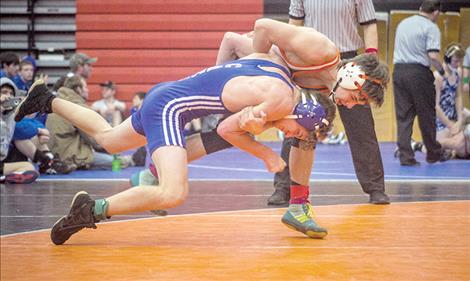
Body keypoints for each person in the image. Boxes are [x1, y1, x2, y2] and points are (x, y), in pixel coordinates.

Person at [15, 32, 343, 244]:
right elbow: (228, 130)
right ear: (304, 114)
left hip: (168, 94)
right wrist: (266, 155)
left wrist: (216, 82)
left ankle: (47, 99)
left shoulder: (278, 67)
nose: (289, 135)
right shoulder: (280, 102)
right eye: (295, 132)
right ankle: (91, 209)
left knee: (109, 140)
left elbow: (237, 39)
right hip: (171, 108)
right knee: (173, 192)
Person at [264, 0, 389, 205]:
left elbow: (369, 24)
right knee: (297, 124)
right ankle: (283, 188)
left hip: (349, 63)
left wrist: (371, 59)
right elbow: (293, 28)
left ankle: (375, 188)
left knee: (362, 130)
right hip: (311, 63)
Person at [393, 0, 451, 166]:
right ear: (436, 12)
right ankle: (433, 153)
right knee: (426, 114)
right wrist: (442, 70)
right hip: (418, 73)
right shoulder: (431, 27)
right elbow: (433, 55)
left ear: (420, 8)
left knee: (403, 117)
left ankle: (406, 156)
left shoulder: (403, 23)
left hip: (399, 71)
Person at [46, 75, 133, 170]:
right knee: (120, 161)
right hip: (73, 156)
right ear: (78, 89)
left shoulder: (56, 103)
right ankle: (132, 159)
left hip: (56, 154)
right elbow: (95, 140)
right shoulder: (77, 106)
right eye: (85, 87)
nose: (88, 90)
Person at [0, 78, 39, 184]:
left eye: (11, 93)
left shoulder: (10, 115)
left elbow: (29, 127)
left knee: (30, 168)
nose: (8, 96)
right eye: (4, 92)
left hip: (2, 160)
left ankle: (6, 178)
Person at [434, 43, 470, 158]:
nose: (458, 64)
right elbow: (435, 106)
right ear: (447, 58)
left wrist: (459, 120)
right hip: (440, 117)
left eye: (460, 61)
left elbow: (458, 96)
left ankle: (456, 146)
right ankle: (416, 145)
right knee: (441, 146)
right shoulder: (438, 77)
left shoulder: (457, 72)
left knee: (467, 115)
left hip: (453, 111)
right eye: (455, 61)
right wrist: (450, 125)